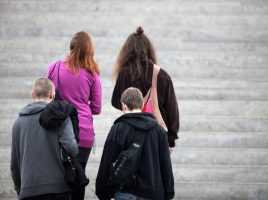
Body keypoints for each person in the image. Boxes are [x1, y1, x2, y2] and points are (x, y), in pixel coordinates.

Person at [46, 31, 102, 200]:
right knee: (78, 177)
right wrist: (81, 108)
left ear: (71, 47)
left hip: (57, 131)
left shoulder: (54, 67)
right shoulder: (92, 73)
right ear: (89, 50)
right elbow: (97, 107)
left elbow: (46, 98)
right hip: (82, 133)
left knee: (58, 178)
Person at [96, 87, 174, 200]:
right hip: (153, 192)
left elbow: (106, 161)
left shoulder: (118, 129)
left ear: (123, 105)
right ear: (142, 105)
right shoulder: (158, 130)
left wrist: (102, 191)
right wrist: (168, 192)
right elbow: (165, 164)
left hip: (124, 191)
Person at [111, 26, 179, 149]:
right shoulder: (162, 75)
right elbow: (172, 109)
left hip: (130, 133)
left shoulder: (124, 74)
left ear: (127, 51)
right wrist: (171, 139)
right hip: (156, 136)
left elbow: (116, 102)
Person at [10, 78, 78, 200]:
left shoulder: (18, 123)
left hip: (29, 190)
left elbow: (14, 164)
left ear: (32, 94)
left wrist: (21, 190)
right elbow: (71, 148)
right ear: (53, 94)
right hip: (58, 188)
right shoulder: (61, 116)